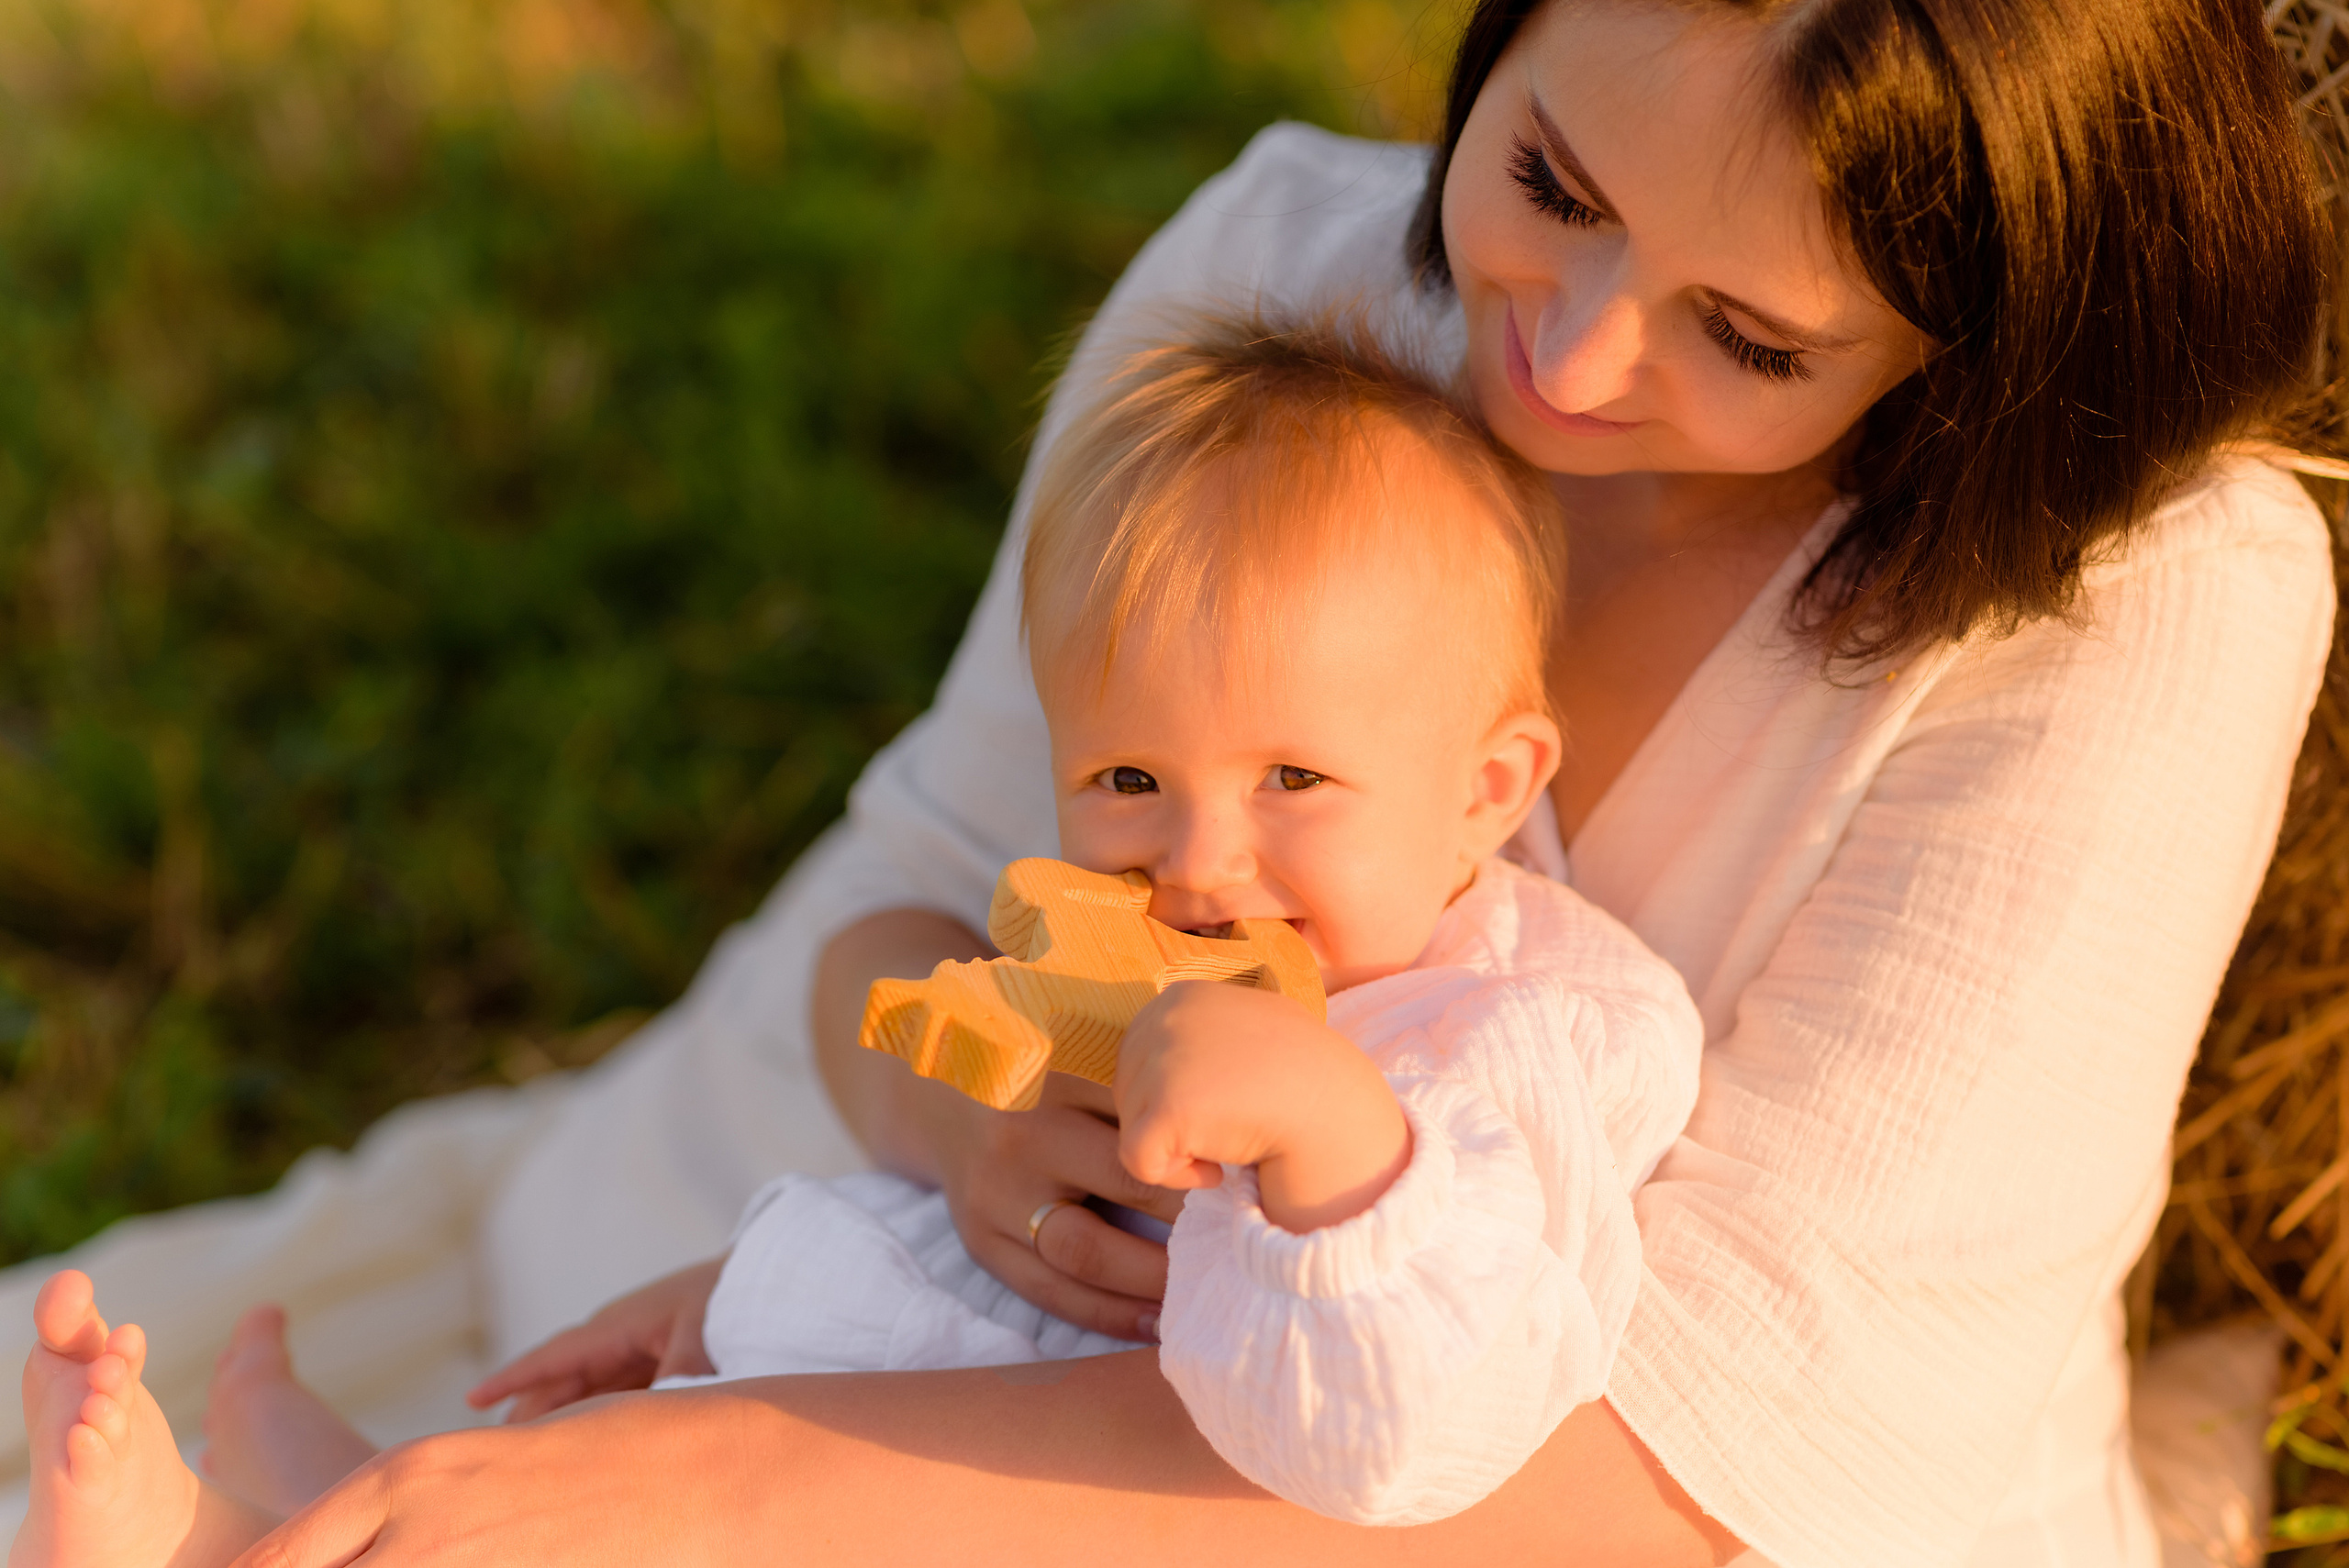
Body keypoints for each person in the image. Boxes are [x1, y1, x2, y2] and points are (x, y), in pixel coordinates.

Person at [0, 0, 2331, 1563]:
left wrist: (696, 1478)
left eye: (1748, 337)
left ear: (1983, 345)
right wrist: (970, 1137)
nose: (1565, 347)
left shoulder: (2137, 601)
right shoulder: (1291, 282)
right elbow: (919, 891)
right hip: (997, 1316)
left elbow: (1693, 1476)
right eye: (1546, 172)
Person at [9, 311, 1717, 1559]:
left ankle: (269, 1511)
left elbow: (1439, 1427)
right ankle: (269, 1506)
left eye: (1293, 776)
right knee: (569, 1490)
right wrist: (741, 1293)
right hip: (870, 1437)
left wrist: (1339, 1140)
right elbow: (975, 1218)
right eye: (1127, 773)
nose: (1202, 859)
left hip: (1038, 1518)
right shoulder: (1123, 977)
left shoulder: (1523, 1033)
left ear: (1490, 786)